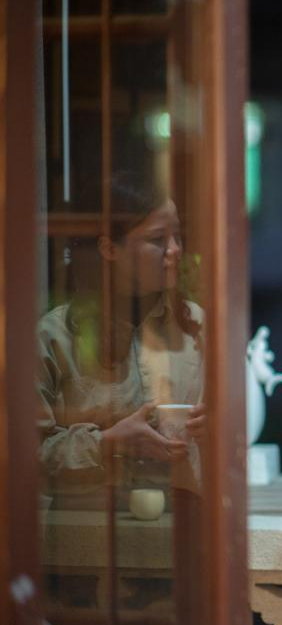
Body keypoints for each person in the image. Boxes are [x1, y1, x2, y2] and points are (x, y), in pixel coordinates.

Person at [37, 175, 206, 509]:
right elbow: (19, 454)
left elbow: (233, 437)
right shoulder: (55, 335)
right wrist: (108, 442)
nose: (175, 250)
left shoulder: (196, 324)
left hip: (182, 524)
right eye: (158, 239)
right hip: (88, 530)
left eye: (177, 235)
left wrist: (215, 426)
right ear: (109, 248)